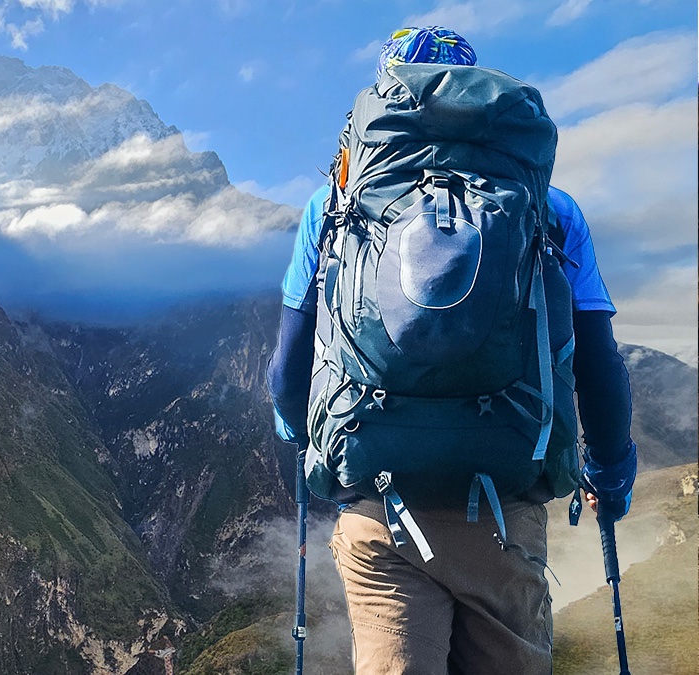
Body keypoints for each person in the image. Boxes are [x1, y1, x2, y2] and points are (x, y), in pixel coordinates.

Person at [266, 26, 636, 674]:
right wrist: (611, 472)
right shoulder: (551, 210)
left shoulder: (332, 208)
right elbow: (599, 364)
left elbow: (287, 369)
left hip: (380, 505)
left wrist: (299, 433)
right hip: (504, 510)